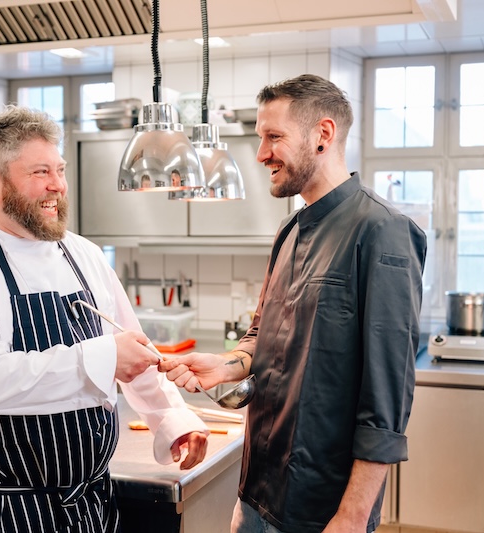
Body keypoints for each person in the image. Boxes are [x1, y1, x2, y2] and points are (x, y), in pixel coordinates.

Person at [0, 105, 209, 533]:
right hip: (5, 514)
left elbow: (134, 350)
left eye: (60, 170)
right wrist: (104, 358)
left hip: (93, 508)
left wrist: (173, 420)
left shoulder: (83, 254)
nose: (57, 185)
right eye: (40, 172)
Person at [160, 74, 427, 533]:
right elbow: (263, 333)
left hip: (321, 511)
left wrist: (352, 517)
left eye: (273, 137)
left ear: (323, 134)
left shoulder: (383, 231)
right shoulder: (289, 231)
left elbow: (386, 399)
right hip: (256, 493)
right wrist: (226, 365)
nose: (261, 153)